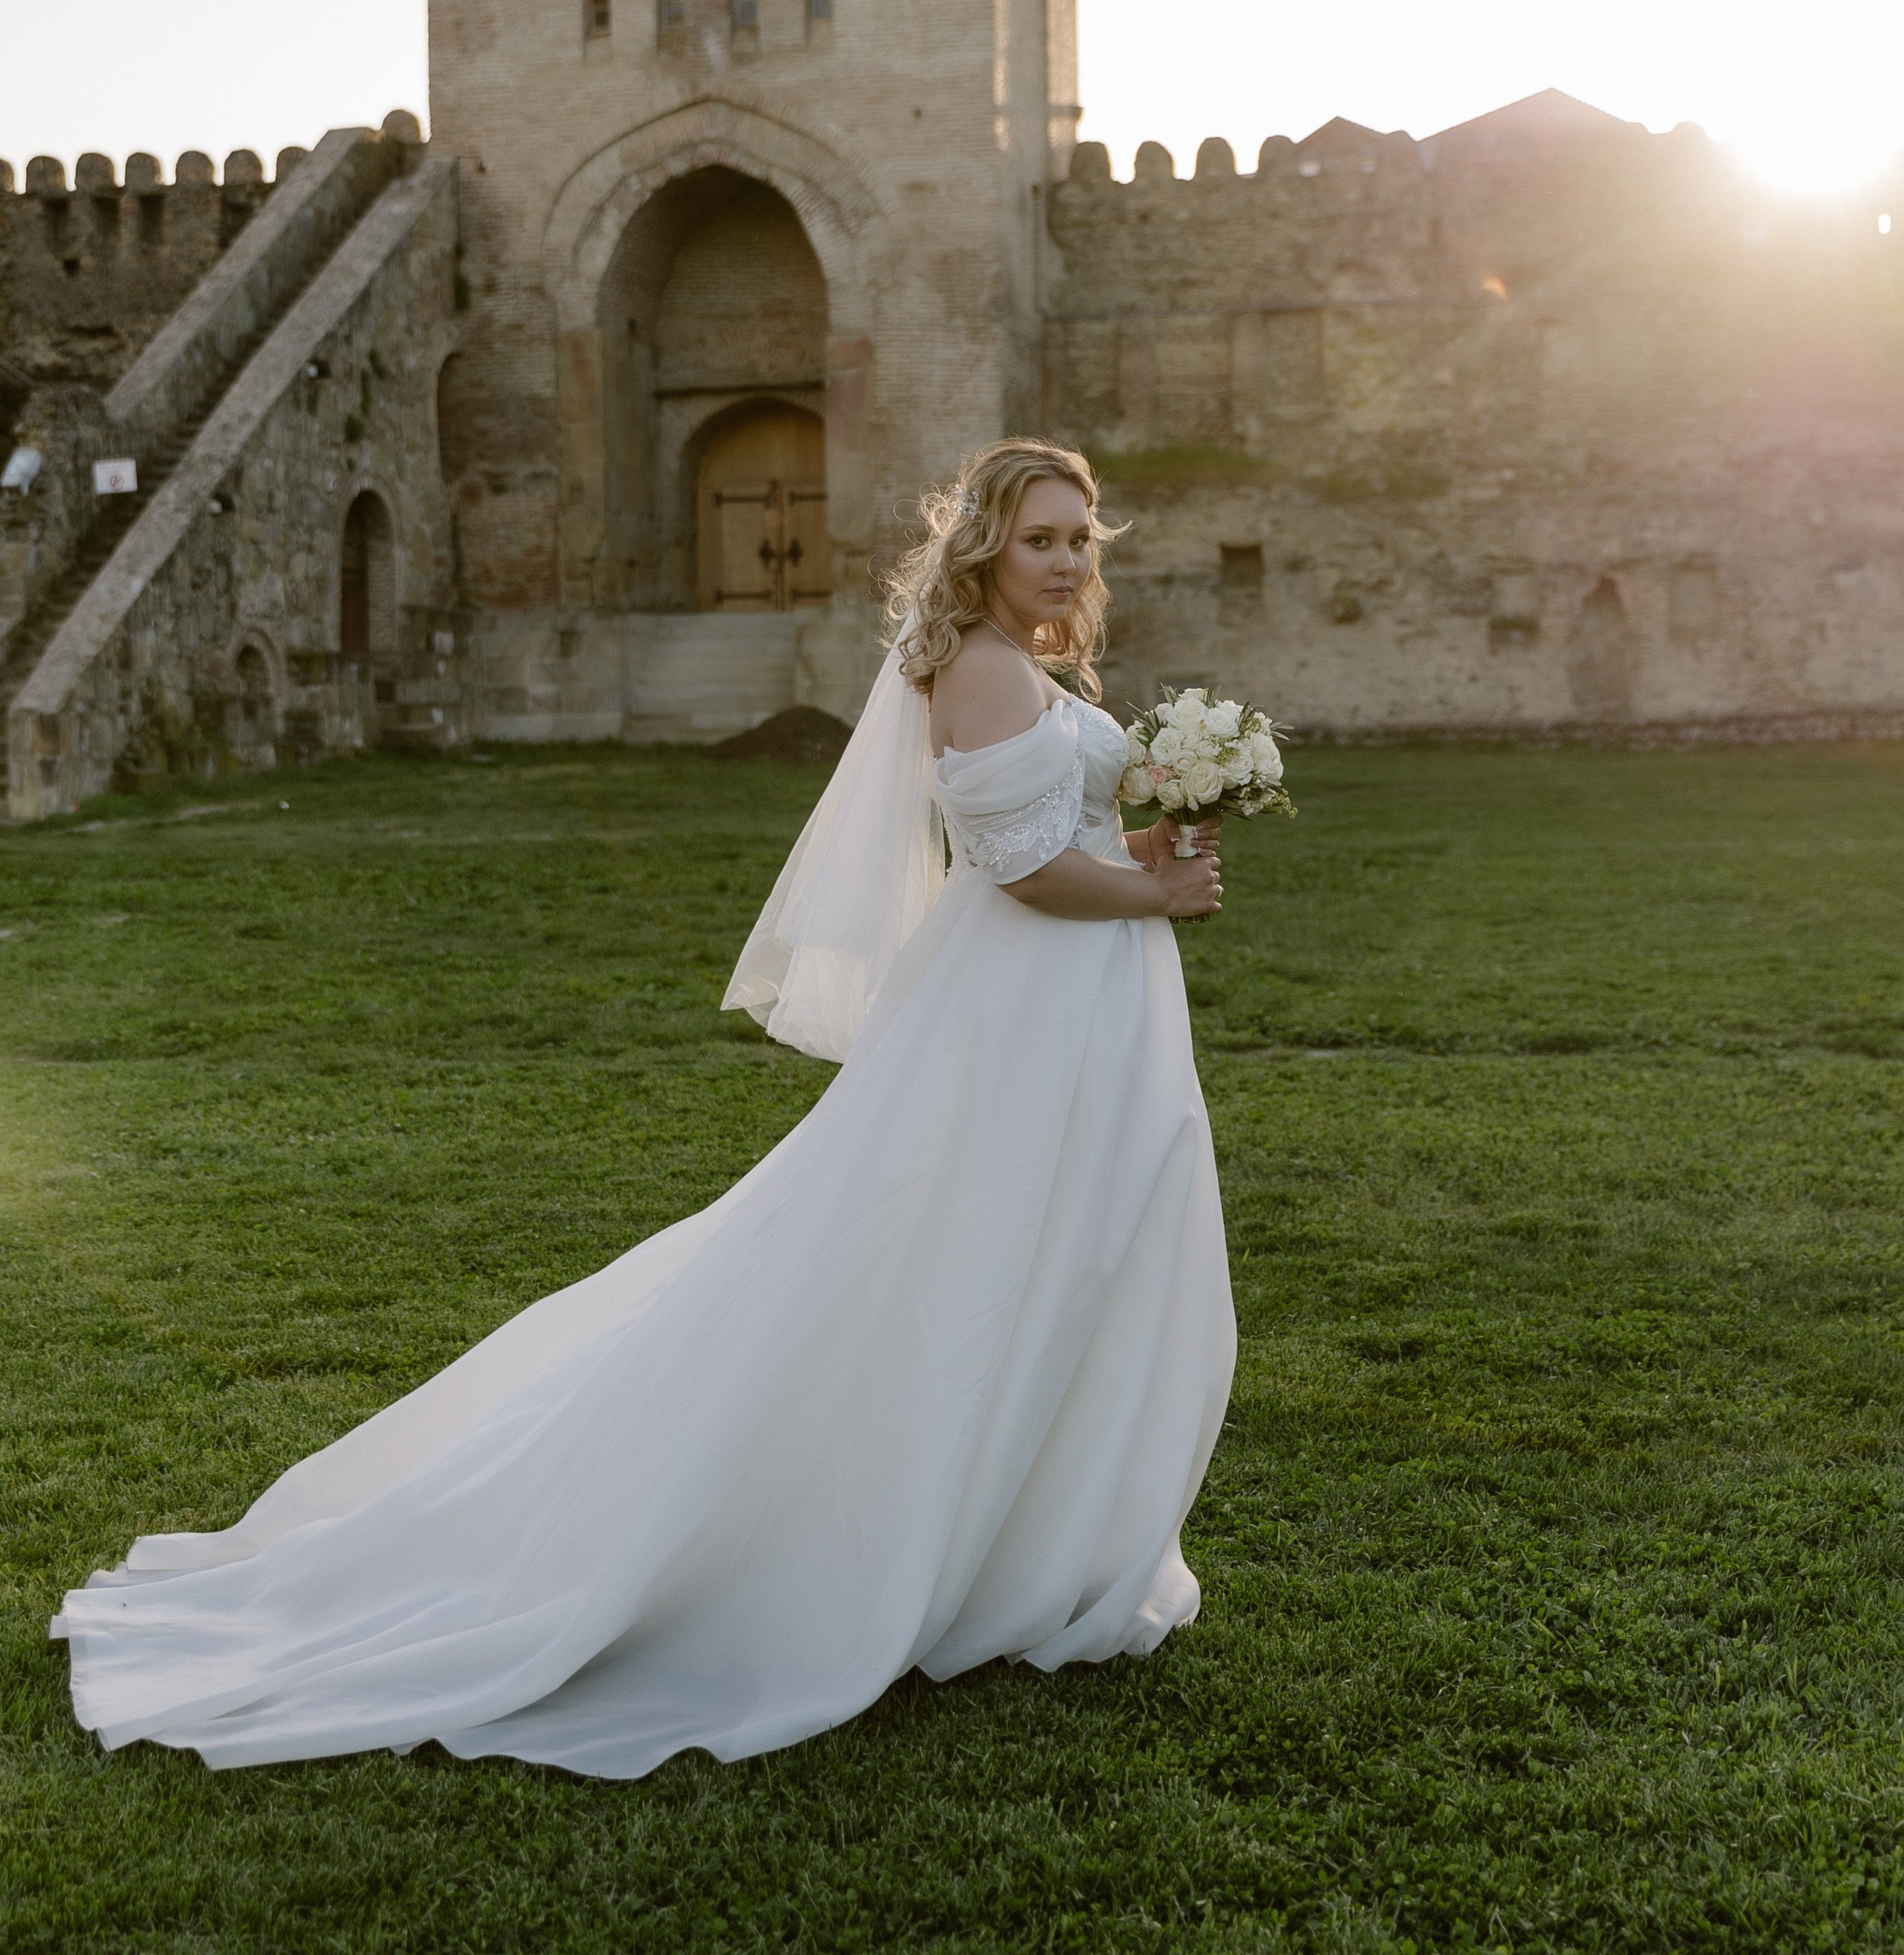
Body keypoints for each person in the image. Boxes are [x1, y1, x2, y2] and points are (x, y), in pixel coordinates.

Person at [52, 438, 1236, 1780]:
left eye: (1084, 537)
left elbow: (1047, 832)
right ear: (985, 547)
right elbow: (1020, 870)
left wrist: (1143, 846)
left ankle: (1032, 1529)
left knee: (1050, 1253)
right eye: (1044, 537)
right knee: (958, 1262)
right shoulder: (984, 659)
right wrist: (1150, 894)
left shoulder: (1024, 661)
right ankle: (915, 1538)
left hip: (1068, 1005)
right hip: (1021, 1011)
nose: (1071, 558)